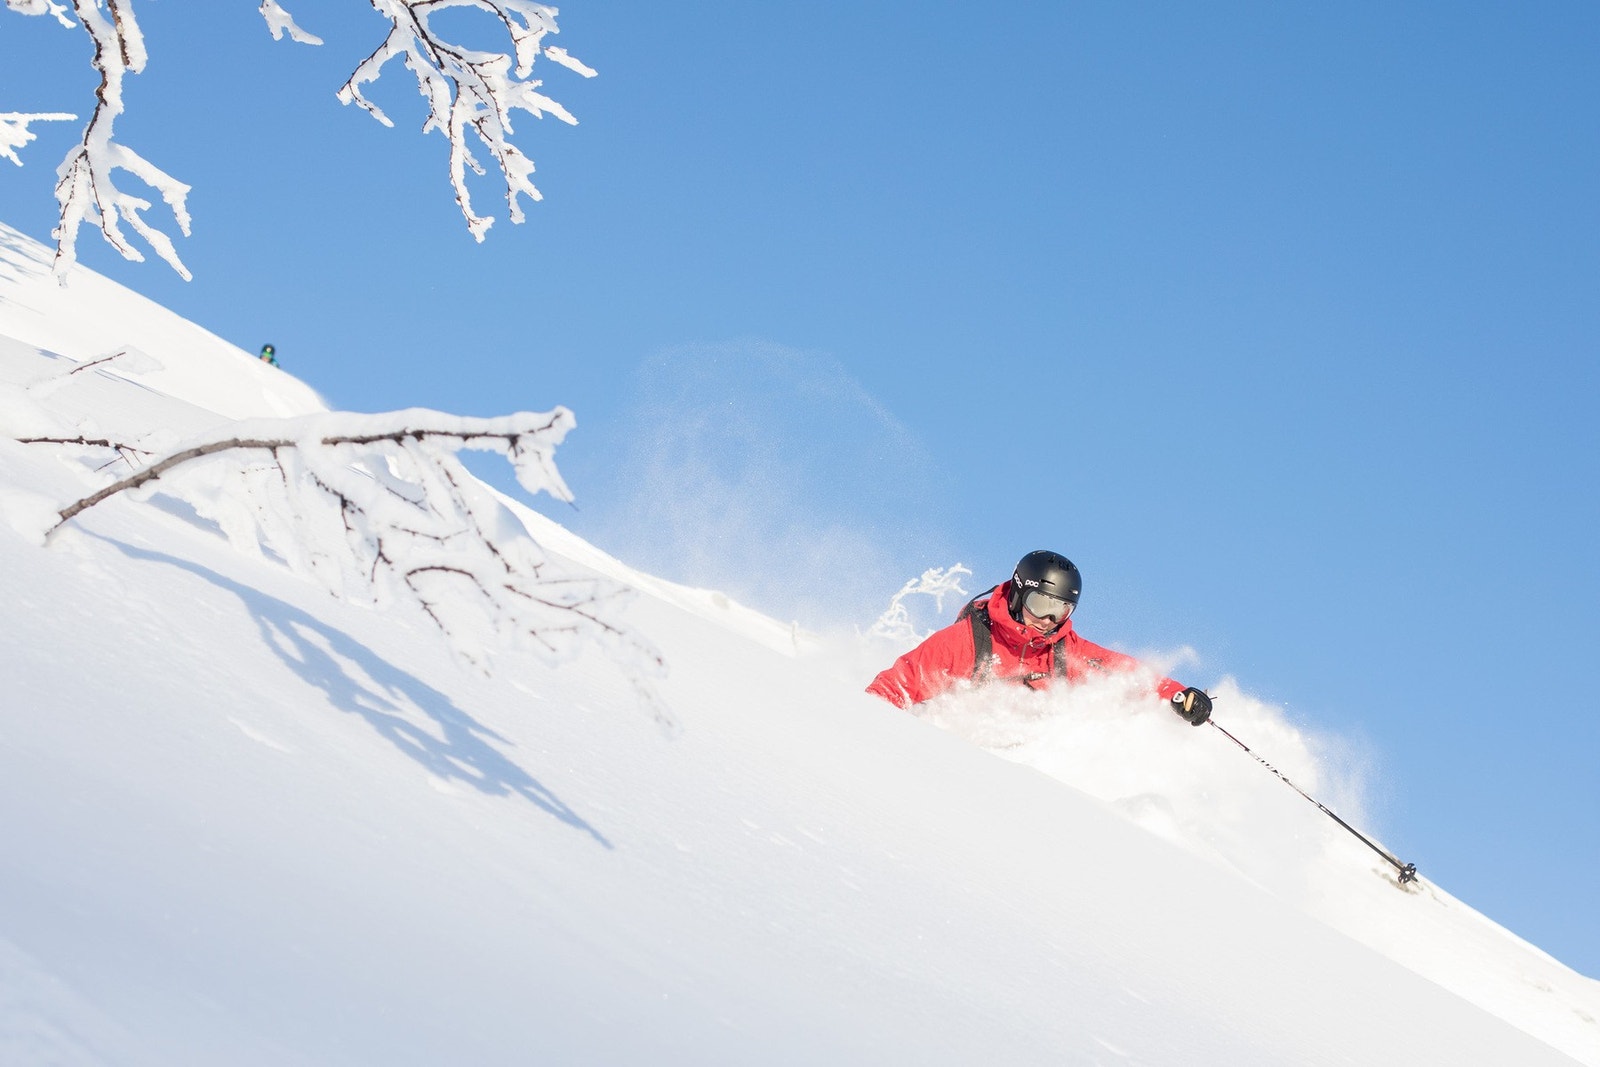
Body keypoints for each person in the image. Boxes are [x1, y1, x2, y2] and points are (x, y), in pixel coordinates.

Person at [866, 549, 1212, 725]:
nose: (1048, 620)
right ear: (1018, 596)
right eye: (1040, 604)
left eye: (1060, 611)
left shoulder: (1065, 653)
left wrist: (1178, 695)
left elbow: (1125, 675)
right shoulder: (966, 643)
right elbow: (894, 688)